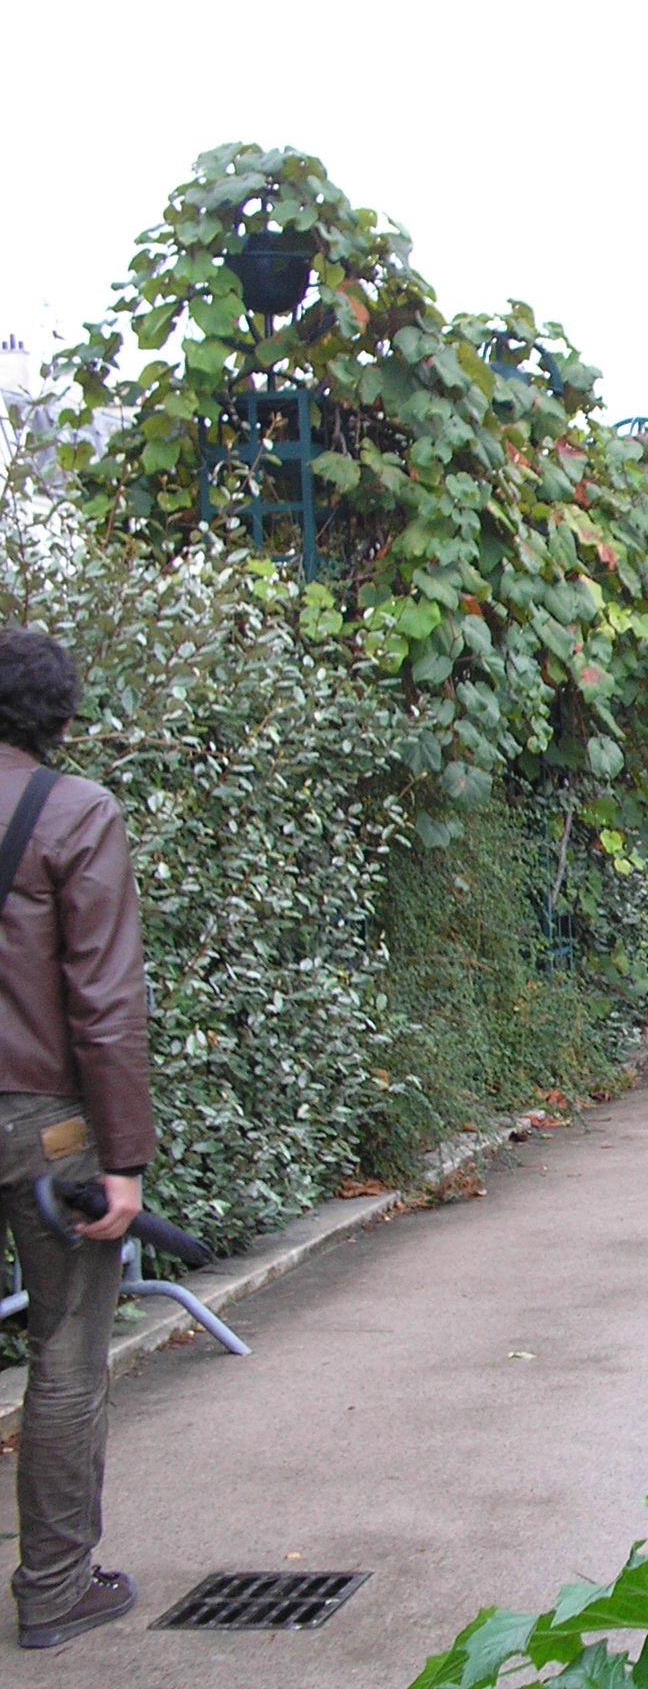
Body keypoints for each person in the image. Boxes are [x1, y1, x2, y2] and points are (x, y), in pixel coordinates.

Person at [0, 628, 150, 1648]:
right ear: (61, 716)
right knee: (64, 1348)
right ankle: (55, 1586)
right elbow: (105, 1000)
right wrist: (123, 1159)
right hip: (37, 1121)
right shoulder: (73, 811)